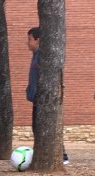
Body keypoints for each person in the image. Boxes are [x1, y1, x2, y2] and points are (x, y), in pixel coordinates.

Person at [26, 27, 70, 165]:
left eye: (29, 39)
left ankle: (62, 156)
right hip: (35, 99)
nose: (27, 43)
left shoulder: (42, 56)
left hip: (42, 100)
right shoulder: (35, 56)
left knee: (45, 128)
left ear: (37, 40)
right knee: (36, 128)